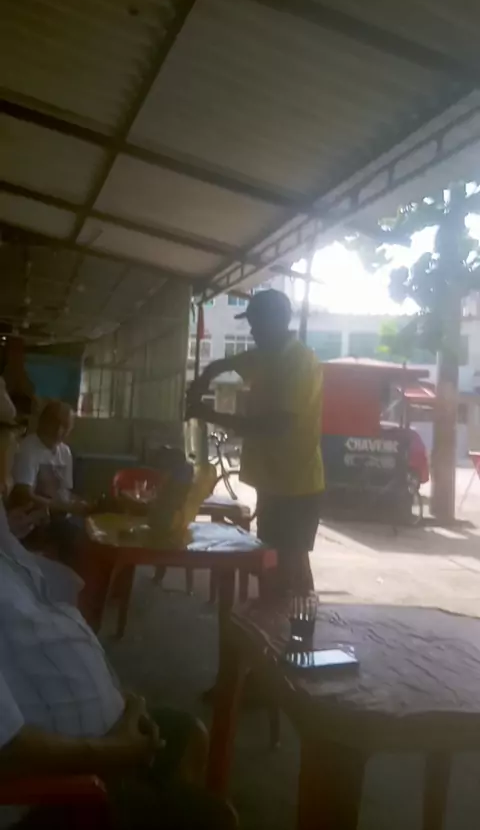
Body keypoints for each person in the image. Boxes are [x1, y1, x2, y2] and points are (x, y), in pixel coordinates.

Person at [0, 379, 235, 830]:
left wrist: (122, 701)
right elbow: (6, 751)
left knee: (188, 735)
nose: (15, 439)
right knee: (217, 818)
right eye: (11, 427)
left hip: (103, 734)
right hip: (63, 789)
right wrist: (114, 752)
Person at [187, 289, 324, 597]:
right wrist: (203, 378)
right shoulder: (264, 357)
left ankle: (299, 620)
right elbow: (221, 365)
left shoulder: (299, 362)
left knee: (291, 564)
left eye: (257, 324)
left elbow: (274, 425)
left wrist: (209, 413)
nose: (252, 332)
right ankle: (276, 617)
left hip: (297, 484)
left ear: (278, 321)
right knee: (272, 561)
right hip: (272, 482)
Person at [9, 400, 90, 562]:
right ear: (43, 422)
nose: (59, 431)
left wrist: (82, 505)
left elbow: (65, 493)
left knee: (90, 531)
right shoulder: (28, 448)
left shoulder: (65, 452)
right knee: (72, 535)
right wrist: (64, 507)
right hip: (31, 518)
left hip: (58, 515)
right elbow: (23, 495)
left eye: (65, 426)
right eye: (55, 423)